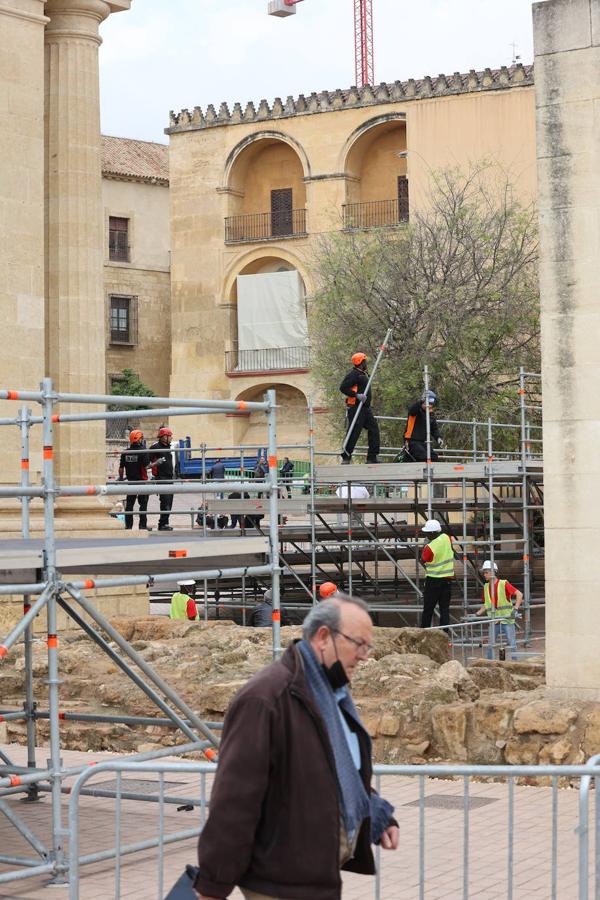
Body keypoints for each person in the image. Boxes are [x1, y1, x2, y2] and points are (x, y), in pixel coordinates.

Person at [194, 594, 398, 900]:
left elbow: (339, 772)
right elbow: (235, 801)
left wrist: (376, 814)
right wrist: (212, 886)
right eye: (359, 644)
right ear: (323, 637)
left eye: (368, 647)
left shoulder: (330, 694)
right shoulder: (266, 699)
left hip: (315, 876)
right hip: (280, 882)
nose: (364, 655)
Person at [475, 560, 523, 659]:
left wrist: (515, 609)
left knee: (512, 643)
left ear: (493, 572)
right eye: (484, 572)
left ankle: (515, 663)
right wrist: (477, 613)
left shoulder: (503, 583)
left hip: (507, 618)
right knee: (491, 644)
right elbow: (486, 604)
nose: (484, 575)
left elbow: (519, 594)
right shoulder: (486, 587)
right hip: (494, 620)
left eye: (486, 572)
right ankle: (489, 663)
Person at [339, 352, 380, 465]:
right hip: (356, 407)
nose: (366, 363)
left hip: (365, 408)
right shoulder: (353, 374)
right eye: (365, 361)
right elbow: (343, 388)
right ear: (360, 362)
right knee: (354, 432)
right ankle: (346, 456)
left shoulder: (364, 374)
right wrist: (356, 395)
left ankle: (372, 457)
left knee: (374, 429)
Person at [420, 518, 455, 629]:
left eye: (427, 533)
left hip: (433, 580)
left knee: (428, 609)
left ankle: (424, 630)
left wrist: (425, 546)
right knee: (444, 609)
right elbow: (449, 541)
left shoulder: (430, 547)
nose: (426, 535)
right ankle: (444, 633)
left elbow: (423, 559)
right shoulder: (446, 538)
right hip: (447, 580)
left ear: (432, 533)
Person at [118, 430, 151, 530]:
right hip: (141, 481)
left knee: (129, 505)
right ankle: (142, 525)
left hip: (131, 482)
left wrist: (121, 477)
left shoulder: (125, 452)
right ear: (139, 439)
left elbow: (121, 468)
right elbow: (146, 466)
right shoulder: (143, 451)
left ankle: (128, 526)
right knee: (143, 504)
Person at [403, 391, 443, 462]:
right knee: (423, 457)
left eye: (431, 403)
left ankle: (430, 472)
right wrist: (421, 401)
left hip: (423, 442)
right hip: (412, 441)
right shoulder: (415, 410)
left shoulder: (430, 414)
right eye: (427, 402)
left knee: (434, 457)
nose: (429, 405)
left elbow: (434, 429)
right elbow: (412, 410)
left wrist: (438, 437)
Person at [149, 427, 176, 531]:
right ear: (164, 437)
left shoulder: (168, 447)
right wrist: (155, 466)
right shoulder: (155, 447)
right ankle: (162, 524)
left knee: (169, 502)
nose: (171, 438)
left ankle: (165, 522)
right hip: (162, 478)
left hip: (169, 478)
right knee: (165, 502)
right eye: (170, 436)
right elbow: (147, 463)